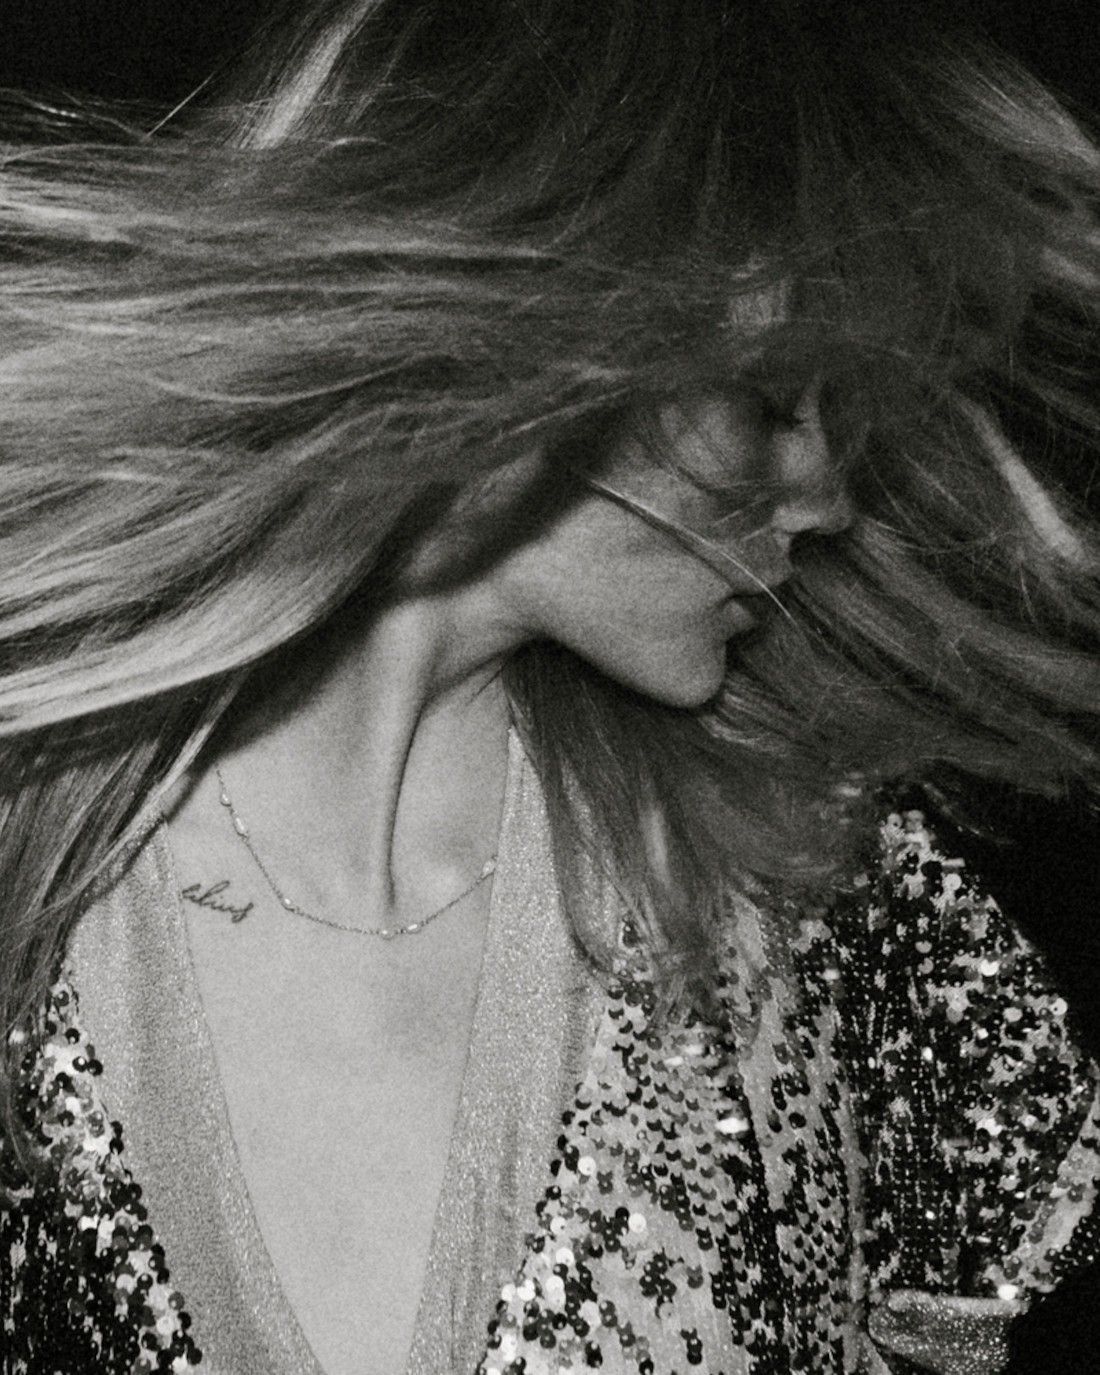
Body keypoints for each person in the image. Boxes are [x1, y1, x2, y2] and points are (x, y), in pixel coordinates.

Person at [2, 2, 1100, 1372]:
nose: (825, 496)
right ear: (525, 340)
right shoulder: (35, 861)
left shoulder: (829, 905)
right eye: (773, 398)